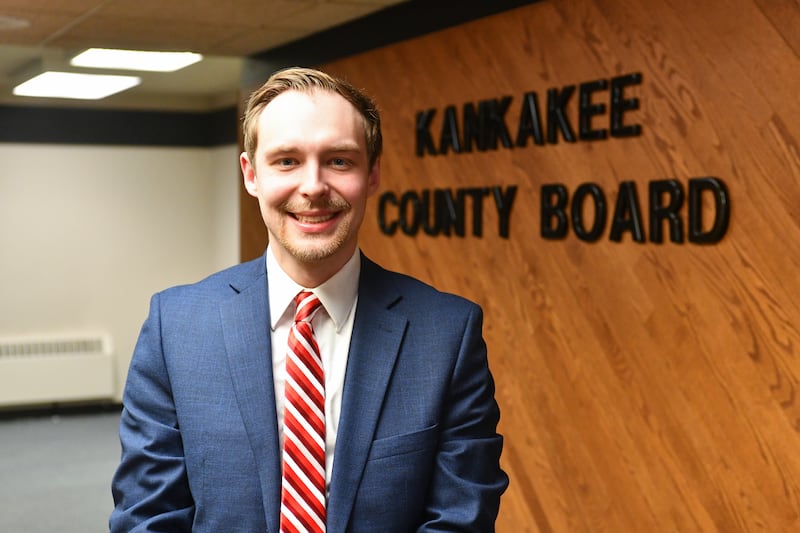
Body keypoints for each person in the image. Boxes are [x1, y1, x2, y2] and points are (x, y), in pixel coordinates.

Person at [110, 66, 508, 532]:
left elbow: (460, 519)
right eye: (287, 161)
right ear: (251, 174)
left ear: (372, 173)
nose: (314, 186)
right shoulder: (175, 329)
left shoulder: (447, 335)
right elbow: (148, 516)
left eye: (339, 160)